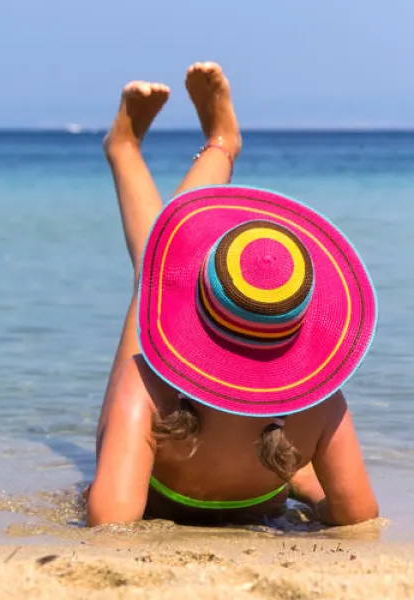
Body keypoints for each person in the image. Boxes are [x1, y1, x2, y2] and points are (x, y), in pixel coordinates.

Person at [87, 63, 379, 526]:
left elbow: (109, 521)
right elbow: (358, 516)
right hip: (263, 492)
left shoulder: (148, 384)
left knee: (154, 274)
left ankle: (162, 147)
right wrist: (303, 489)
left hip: (157, 467)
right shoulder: (320, 401)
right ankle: (213, 146)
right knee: (154, 268)